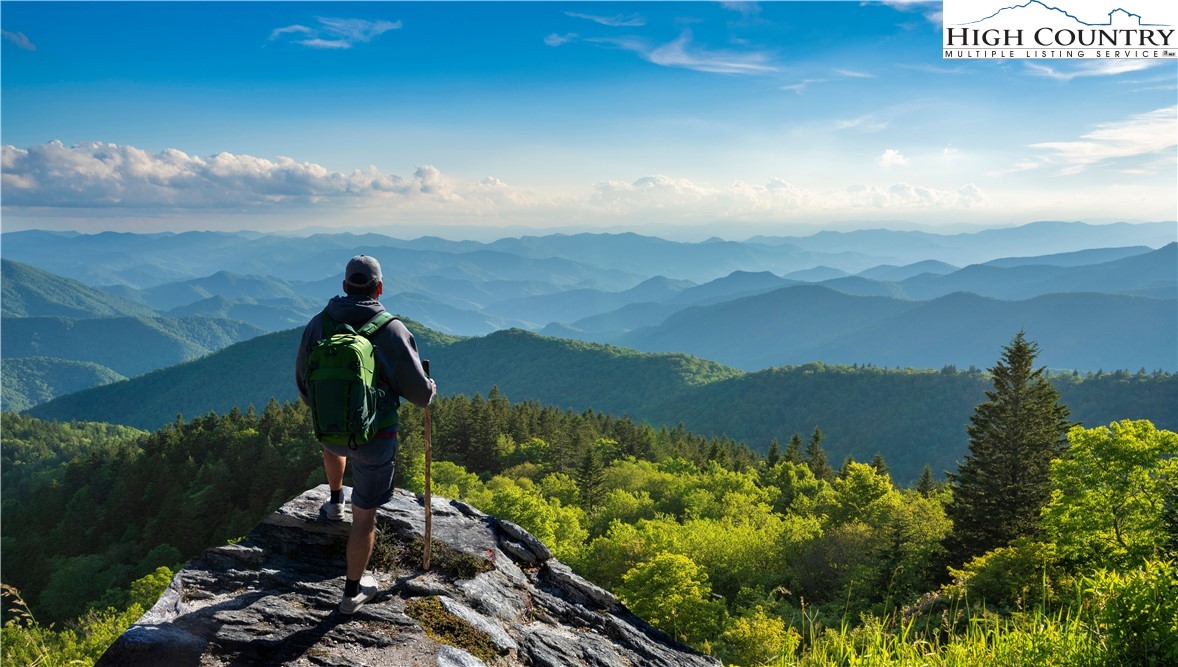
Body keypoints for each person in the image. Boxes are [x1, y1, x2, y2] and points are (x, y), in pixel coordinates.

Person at [295, 254, 436, 615]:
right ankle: (352, 593)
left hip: (329, 431)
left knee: (334, 445)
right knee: (366, 519)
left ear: (344, 286)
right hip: (377, 438)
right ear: (379, 288)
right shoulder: (391, 330)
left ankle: (334, 500)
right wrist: (430, 388)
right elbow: (420, 396)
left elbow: (303, 382)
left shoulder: (318, 324)